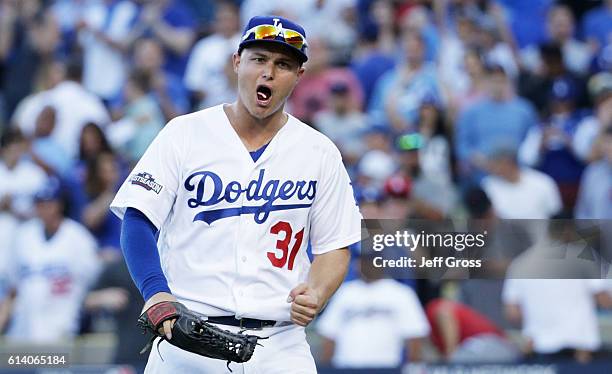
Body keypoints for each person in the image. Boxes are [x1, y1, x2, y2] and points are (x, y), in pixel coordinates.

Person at [110, 15, 362, 373]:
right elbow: (137, 219)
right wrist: (155, 290)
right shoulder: (183, 134)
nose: (268, 73)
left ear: (298, 77)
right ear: (236, 62)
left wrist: (318, 291)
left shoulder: (319, 152)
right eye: (259, 59)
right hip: (186, 340)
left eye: (283, 64)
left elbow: (336, 244)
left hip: (280, 345)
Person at [0, 179, 100, 343]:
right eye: (40, 204)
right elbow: (12, 286)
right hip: (24, 327)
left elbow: (92, 282)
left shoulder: (78, 237)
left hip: (63, 326)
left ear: (59, 204)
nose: (44, 209)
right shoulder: (23, 235)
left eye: (49, 203)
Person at [316, 254, 429, 368]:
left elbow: (414, 334)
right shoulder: (345, 292)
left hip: (387, 367)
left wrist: (412, 367)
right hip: (346, 366)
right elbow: (329, 334)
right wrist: (327, 368)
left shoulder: (401, 293)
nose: (367, 265)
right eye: (363, 261)